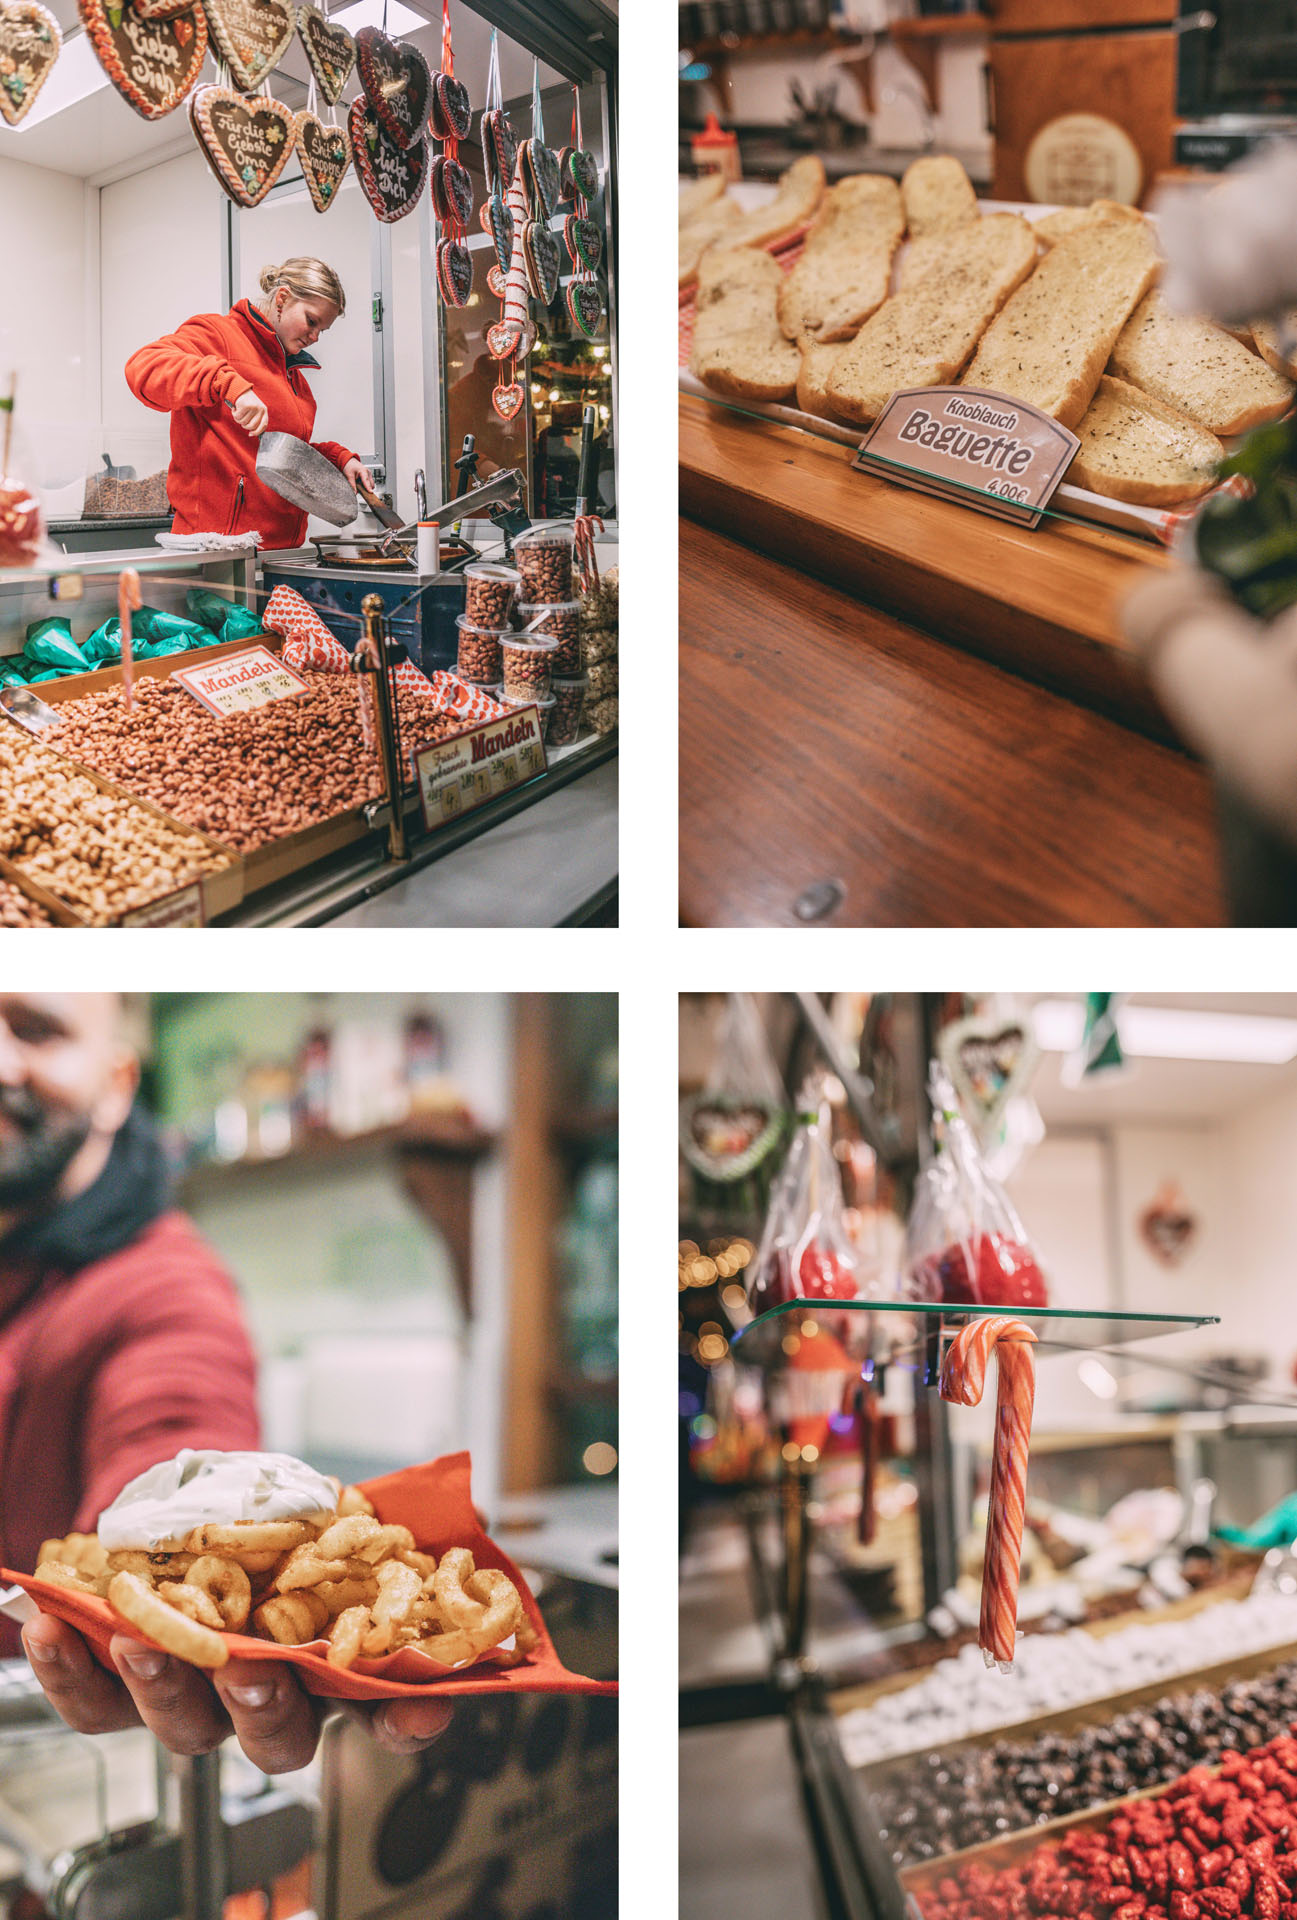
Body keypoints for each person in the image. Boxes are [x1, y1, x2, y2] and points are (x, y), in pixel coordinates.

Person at [7, 995, 450, 1767]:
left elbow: (174, 1435)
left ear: (117, 1087)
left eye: (37, 1030)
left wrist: (185, 1622)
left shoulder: (167, 1289)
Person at [124, 257, 375, 550]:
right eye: (311, 321)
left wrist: (340, 459)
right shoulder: (218, 335)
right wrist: (229, 385)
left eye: (323, 330)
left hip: (279, 556)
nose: (315, 337)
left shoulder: (298, 385)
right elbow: (144, 368)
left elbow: (278, 453)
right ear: (282, 299)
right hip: (217, 555)